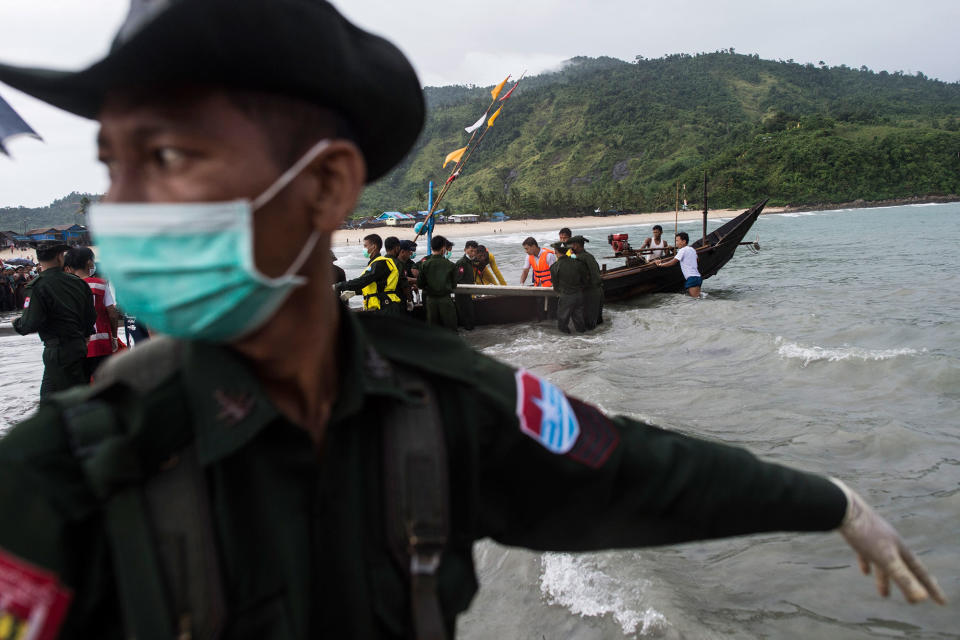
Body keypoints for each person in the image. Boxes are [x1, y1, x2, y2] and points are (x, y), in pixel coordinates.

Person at [0, 3, 943, 639]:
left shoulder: (436, 404)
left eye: (166, 154)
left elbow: (639, 471)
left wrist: (832, 502)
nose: (119, 207)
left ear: (326, 185)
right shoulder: (60, 475)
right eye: (115, 164)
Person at [12, 241, 96, 398]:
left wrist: (16, 323)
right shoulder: (78, 283)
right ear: (59, 257)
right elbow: (90, 316)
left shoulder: (37, 286)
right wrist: (84, 335)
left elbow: (29, 324)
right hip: (79, 347)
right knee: (71, 396)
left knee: (60, 402)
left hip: (57, 351)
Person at [63, 246, 121, 380]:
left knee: (80, 383)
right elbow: (112, 313)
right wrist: (114, 338)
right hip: (101, 343)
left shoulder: (66, 286)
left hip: (75, 345)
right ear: (89, 262)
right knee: (105, 382)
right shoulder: (100, 284)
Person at [336, 233, 403, 313]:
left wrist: (338, 286)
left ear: (374, 247)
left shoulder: (380, 263)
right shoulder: (374, 263)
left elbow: (363, 281)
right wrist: (355, 292)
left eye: (365, 246)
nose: (364, 249)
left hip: (386, 306)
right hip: (381, 305)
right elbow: (375, 286)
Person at [417, 235, 458, 330]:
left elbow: (420, 284)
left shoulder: (424, 264)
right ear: (443, 248)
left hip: (430, 301)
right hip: (446, 301)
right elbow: (453, 285)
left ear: (431, 248)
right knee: (450, 329)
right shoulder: (450, 265)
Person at [549, 242, 588, 333]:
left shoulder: (554, 267)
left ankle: (566, 343)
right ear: (567, 251)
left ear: (556, 252)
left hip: (566, 296)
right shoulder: (578, 263)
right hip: (578, 295)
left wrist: (561, 293)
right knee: (579, 321)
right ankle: (584, 341)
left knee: (562, 322)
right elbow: (584, 280)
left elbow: (555, 286)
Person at [567, 236, 603, 329]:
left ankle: (592, 340)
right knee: (592, 319)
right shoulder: (579, 257)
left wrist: (586, 287)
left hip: (591, 291)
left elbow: (595, 275)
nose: (570, 248)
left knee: (591, 321)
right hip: (589, 291)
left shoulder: (587, 257)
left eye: (572, 245)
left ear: (577, 245)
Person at [654, 231, 702, 297]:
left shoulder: (682, 250)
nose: (676, 243)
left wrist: (660, 265)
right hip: (697, 277)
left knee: (695, 300)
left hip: (692, 278)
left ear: (684, 241)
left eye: (677, 241)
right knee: (697, 298)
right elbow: (697, 260)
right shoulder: (692, 249)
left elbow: (673, 262)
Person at [454, 240, 477, 330]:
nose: (473, 253)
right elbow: (458, 279)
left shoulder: (470, 262)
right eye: (471, 251)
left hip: (468, 292)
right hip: (462, 293)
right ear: (465, 250)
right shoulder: (461, 262)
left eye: (475, 251)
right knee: (466, 316)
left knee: (470, 315)